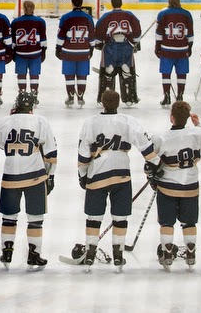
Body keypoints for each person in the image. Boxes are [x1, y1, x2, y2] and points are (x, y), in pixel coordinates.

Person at [74, 89, 158, 269]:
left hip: (97, 173)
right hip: (121, 172)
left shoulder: (91, 122)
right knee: (120, 216)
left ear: (102, 103)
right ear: (118, 103)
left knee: (94, 216)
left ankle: (90, 252)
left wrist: (82, 175)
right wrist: (156, 165)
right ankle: (118, 254)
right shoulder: (128, 120)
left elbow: (83, 154)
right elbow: (145, 146)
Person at [0, 91, 56, 270]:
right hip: (35, 174)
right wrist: (51, 176)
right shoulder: (40, 121)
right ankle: (34, 254)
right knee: (35, 218)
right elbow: (51, 152)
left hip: (11, 173)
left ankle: (7, 250)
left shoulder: (2, 122)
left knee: (9, 216)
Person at [149, 101, 201, 270]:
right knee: (189, 222)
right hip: (191, 185)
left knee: (167, 223)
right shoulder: (197, 133)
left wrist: (152, 179)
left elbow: (151, 160)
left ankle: (167, 253)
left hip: (168, 187)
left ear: (172, 118)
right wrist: (198, 123)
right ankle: (191, 253)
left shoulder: (161, 137)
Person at [94, 0, 142, 106]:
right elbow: (137, 31)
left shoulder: (106, 16)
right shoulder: (130, 15)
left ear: (112, 4)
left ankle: (105, 99)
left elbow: (99, 32)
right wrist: (134, 43)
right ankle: (129, 98)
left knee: (108, 72)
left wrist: (99, 44)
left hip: (110, 47)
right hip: (125, 47)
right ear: (121, 4)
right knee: (126, 71)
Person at [56, 0, 96, 107]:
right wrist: (91, 48)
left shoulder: (66, 17)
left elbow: (61, 36)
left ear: (72, 2)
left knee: (69, 75)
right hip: (83, 51)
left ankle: (70, 97)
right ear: (82, 2)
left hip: (68, 51)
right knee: (82, 75)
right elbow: (92, 35)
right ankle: (81, 97)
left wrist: (58, 48)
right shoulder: (88, 17)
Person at [155, 0, 194, 107]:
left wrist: (157, 48)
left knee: (166, 73)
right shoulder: (187, 14)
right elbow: (190, 35)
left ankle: (166, 96)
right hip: (182, 49)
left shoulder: (163, 14)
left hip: (167, 49)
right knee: (181, 73)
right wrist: (189, 47)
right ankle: (180, 95)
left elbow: (159, 34)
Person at [10, 0, 47, 102]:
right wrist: (43, 52)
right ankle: (34, 95)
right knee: (34, 75)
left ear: (23, 9)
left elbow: (12, 41)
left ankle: (22, 94)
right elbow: (43, 40)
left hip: (20, 54)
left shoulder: (15, 22)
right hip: (35, 53)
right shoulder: (40, 21)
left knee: (21, 75)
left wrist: (12, 53)